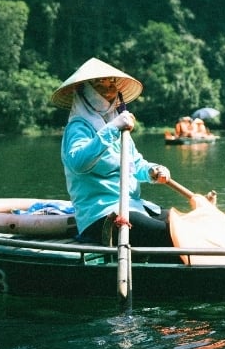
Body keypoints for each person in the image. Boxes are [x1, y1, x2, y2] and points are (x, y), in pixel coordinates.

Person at [51, 57, 173, 247]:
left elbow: (135, 164)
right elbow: (78, 163)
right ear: (85, 91)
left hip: (134, 206)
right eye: (100, 85)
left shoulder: (118, 123)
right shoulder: (78, 127)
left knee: (182, 223)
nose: (108, 91)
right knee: (166, 235)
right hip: (101, 215)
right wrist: (113, 129)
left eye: (111, 85)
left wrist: (152, 171)